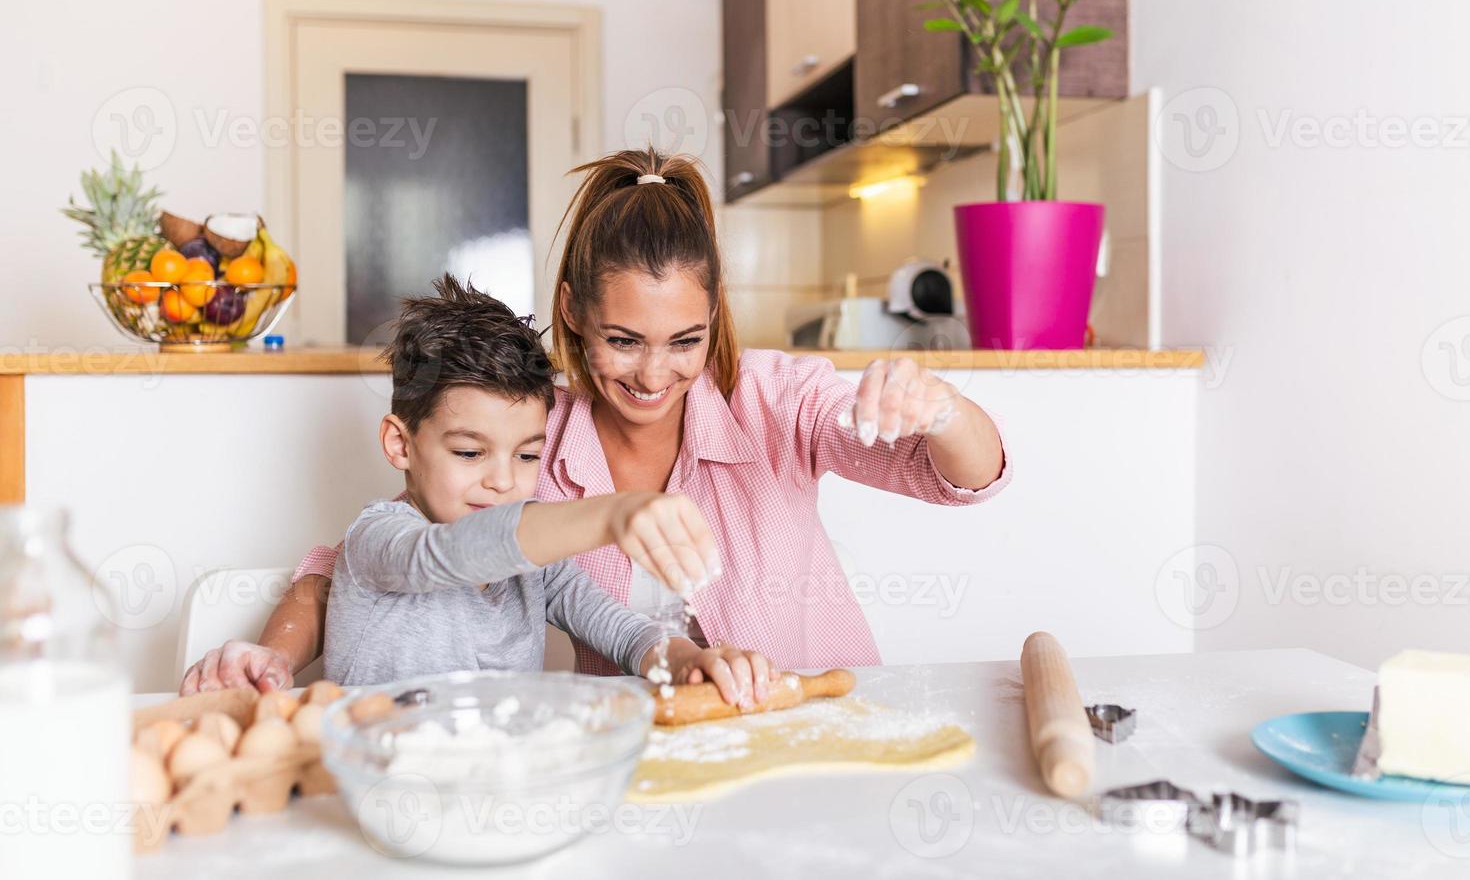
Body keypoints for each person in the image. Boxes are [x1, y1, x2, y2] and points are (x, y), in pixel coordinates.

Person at [181, 147, 1009, 690]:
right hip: (637, 766)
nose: (655, 374)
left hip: (812, 733)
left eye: (685, 339)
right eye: (623, 340)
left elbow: (964, 477)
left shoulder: (775, 398)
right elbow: (389, 551)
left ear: (716, 314)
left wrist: (942, 409)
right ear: (573, 312)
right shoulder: (532, 441)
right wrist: (615, 519)